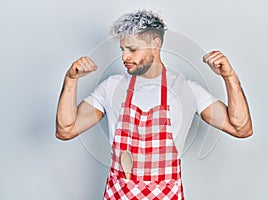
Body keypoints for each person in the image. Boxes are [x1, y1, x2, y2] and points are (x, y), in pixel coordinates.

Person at [55, 10, 253, 200]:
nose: (125, 57)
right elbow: (66, 130)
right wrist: (71, 79)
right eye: (123, 50)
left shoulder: (187, 89)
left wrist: (229, 77)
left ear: (155, 45)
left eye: (132, 49)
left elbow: (241, 129)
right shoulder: (111, 87)